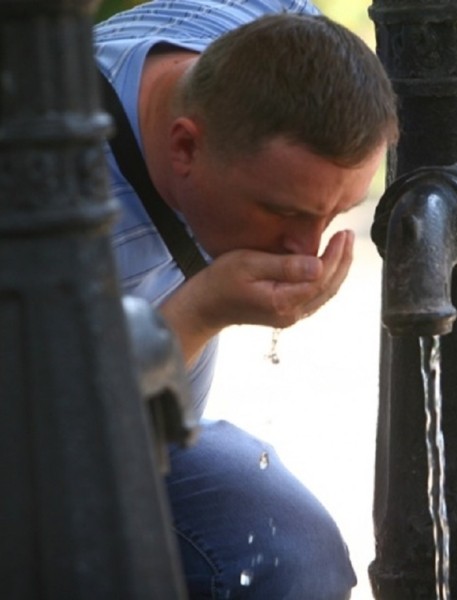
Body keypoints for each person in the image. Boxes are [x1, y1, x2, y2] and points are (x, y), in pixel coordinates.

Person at [94, 2, 398, 598]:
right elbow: (54, 439)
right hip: (51, 450)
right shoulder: (51, 185)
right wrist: (201, 310)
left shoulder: (255, 28)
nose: (305, 252)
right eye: (283, 212)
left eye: (334, 214)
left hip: (152, 434)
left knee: (293, 552)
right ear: (185, 147)